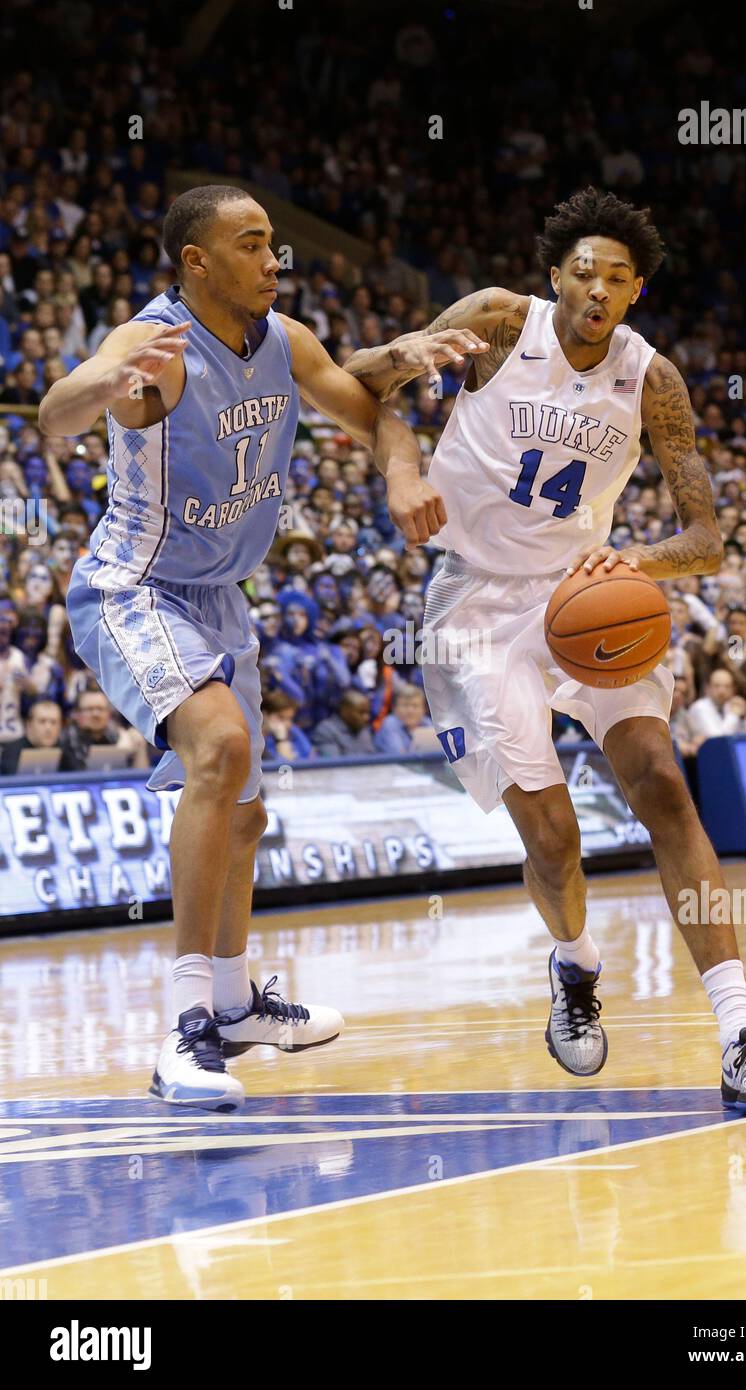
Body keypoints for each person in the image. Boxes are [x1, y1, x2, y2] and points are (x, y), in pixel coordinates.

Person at [344, 186, 746, 1115]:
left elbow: (704, 538)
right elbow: (352, 385)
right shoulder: (499, 323)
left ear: (635, 294)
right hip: (474, 601)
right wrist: (400, 428)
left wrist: (632, 558)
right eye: (582, 271)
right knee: (552, 838)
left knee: (662, 786)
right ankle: (575, 963)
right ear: (555, 276)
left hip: (587, 596)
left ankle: (741, 1031)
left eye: (617, 278)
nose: (597, 288)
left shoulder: (650, 379)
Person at [39, 184, 474, 1111]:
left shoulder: (286, 342)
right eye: (252, 244)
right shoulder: (155, 343)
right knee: (222, 748)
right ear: (197, 262)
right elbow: (56, 411)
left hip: (223, 601)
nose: (275, 258)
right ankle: (187, 1026)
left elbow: (375, 415)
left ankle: (236, 1006)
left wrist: (403, 471)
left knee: (244, 815)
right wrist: (103, 385)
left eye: (274, 242)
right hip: (135, 587)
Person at [687, 669, 746, 741]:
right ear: (707, 688)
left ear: (733, 689)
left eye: (727, 686)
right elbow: (718, 740)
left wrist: (743, 718)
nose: (722, 691)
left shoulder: (730, 706)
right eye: (717, 686)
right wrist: (734, 715)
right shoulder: (700, 707)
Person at [0, 697, 63, 774]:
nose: (48, 728)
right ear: (29, 725)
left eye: (53, 722)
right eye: (42, 722)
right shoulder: (11, 752)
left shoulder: (65, 750)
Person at [312, 688, 376, 757]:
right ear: (344, 711)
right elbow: (333, 764)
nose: (367, 717)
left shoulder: (364, 730)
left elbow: (373, 758)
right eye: (361, 712)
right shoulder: (325, 731)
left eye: (367, 712)